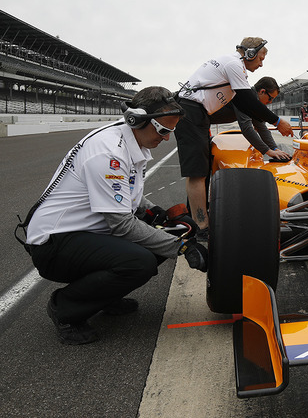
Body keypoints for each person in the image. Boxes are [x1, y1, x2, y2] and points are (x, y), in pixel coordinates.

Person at [20, 87, 208, 345]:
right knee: (139, 261)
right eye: (164, 130)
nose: (167, 139)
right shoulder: (108, 153)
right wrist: (183, 248)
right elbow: (121, 224)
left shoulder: (128, 141)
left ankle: (104, 295)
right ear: (136, 120)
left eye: (171, 132)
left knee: (172, 230)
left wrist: (160, 216)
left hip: (86, 233)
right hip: (54, 242)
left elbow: (127, 194)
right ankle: (65, 308)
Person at [175, 37, 293, 239]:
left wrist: (272, 149)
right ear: (250, 53)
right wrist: (277, 122)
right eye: (261, 58)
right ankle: (200, 227)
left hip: (196, 113)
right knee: (197, 173)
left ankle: (198, 218)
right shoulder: (234, 65)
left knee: (201, 171)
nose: (261, 63)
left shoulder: (233, 66)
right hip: (191, 111)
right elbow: (248, 106)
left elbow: (256, 118)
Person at [232, 76, 291, 162]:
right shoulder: (245, 98)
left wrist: (274, 149)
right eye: (270, 98)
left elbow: (261, 127)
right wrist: (268, 151)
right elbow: (247, 129)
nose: (270, 102)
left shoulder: (254, 101)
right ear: (262, 91)